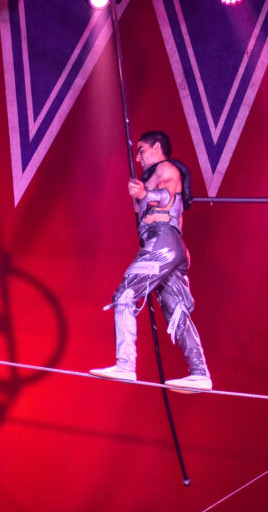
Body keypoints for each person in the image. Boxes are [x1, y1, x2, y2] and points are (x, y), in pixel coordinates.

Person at [90, 130, 212, 393]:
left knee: (125, 293)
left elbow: (164, 197)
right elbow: (147, 206)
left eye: (142, 149)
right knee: (175, 312)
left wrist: (144, 193)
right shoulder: (150, 178)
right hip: (168, 247)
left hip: (163, 242)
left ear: (157, 148)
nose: (138, 156)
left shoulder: (167, 168)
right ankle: (200, 372)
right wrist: (140, 195)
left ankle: (125, 364)